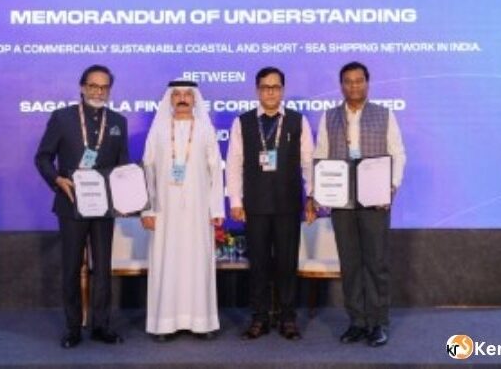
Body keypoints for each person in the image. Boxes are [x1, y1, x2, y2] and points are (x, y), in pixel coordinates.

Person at [34, 65, 129, 348]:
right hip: (71, 204)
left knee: (103, 268)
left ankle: (101, 326)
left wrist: (126, 197)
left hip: (104, 207)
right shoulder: (62, 118)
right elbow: (42, 157)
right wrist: (57, 180)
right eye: (93, 86)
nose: (98, 92)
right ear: (82, 87)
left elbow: (123, 165)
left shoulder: (118, 121)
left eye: (104, 87)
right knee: (71, 267)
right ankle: (73, 328)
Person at [312, 61, 406, 347]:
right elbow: (321, 155)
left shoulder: (384, 114)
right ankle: (357, 322)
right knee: (350, 263)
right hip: (341, 200)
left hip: (375, 199)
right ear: (341, 85)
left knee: (376, 263)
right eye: (348, 81)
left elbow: (398, 153)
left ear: (367, 82)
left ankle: (377, 323)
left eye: (359, 80)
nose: (354, 86)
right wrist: (317, 192)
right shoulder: (329, 116)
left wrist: (391, 187)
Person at [225, 67, 316, 340]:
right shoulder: (243, 122)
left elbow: (308, 163)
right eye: (265, 87)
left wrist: (311, 196)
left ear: (282, 90)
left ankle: (288, 318)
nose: (270, 92)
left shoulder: (297, 121)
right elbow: (234, 163)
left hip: (288, 204)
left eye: (275, 87)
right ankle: (260, 318)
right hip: (255, 205)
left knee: (287, 264)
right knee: (259, 264)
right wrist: (235, 200)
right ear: (257, 90)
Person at [140, 80, 225, 342]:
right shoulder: (157, 131)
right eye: (177, 94)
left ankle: (202, 322)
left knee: (198, 263)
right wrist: (147, 210)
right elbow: (148, 171)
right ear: (170, 99)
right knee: (167, 262)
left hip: (199, 211)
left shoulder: (205, 130)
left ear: (195, 99)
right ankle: (164, 324)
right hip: (164, 213)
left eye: (188, 94)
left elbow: (215, 171)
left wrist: (216, 209)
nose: (182, 98)